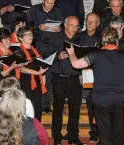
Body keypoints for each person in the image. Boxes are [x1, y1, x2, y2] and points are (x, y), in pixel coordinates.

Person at [66, 27, 124, 145]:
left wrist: (72, 53)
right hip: (120, 98)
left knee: (104, 134)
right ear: (117, 40)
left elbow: (75, 64)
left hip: (101, 99)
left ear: (103, 39)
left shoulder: (96, 54)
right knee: (118, 134)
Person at [42, 16, 84, 145]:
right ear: (65, 25)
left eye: (77, 26)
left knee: (75, 109)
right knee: (58, 109)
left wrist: (83, 73)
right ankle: (57, 137)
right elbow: (45, 55)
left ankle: (73, 136)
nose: (74, 28)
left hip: (75, 78)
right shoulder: (55, 38)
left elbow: (85, 57)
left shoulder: (80, 39)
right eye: (72, 25)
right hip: (59, 78)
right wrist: (57, 56)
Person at [14, 26, 48, 121]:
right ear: (20, 37)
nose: (30, 36)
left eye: (31, 34)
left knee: (37, 109)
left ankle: (36, 132)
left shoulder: (34, 49)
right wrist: (37, 73)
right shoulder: (18, 51)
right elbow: (22, 69)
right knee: (26, 110)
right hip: (24, 83)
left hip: (36, 83)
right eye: (27, 34)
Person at [79, 12, 101, 142]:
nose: (90, 24)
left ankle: (101, 130)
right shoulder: (79, 36)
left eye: (93, 22)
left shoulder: (102, 37)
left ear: (98, 24)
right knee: (90, 104)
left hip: (99, 75)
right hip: (84, 74)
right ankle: (93, 131)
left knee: (100, 105)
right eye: (88, 21)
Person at [0, 28, 25, 98]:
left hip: (13, 84)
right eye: (5, 39)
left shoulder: (11, 51)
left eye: (9, 38)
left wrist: (21, 64)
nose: (9, 41)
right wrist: (12, 67)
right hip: (1, 87)